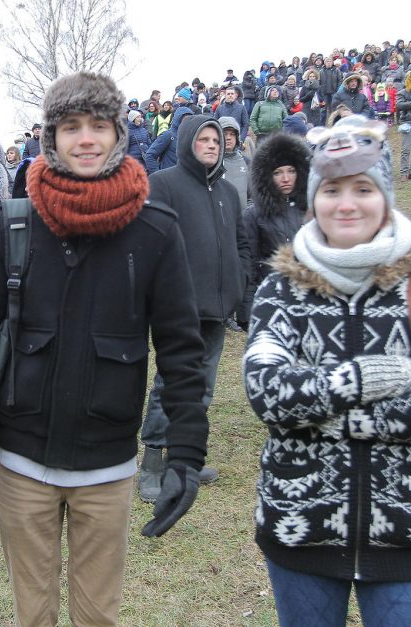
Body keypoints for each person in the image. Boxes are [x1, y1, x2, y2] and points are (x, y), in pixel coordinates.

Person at [0, 72, 210, 626]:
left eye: (98, 125)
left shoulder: (156, 229)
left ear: (117, 134)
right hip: (21, 466)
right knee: (32, 617)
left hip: (108, 469)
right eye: (71, 126)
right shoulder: (13, 226)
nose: (86, 138)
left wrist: (185, 452)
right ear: (51, 137)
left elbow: (182, 352)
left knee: (97, 618)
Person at [244, 115, 411, 627]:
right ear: (314, 198)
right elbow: (266, 395)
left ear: (387, 195)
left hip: (407, 537)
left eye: (363, 187)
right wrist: (367, 377)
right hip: (298, 532)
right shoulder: (281, 289)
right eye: (331, 189)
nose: (346, 203)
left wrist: (322, 407)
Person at [137, 114, 248, 501]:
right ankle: (151, 463)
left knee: (203, 388)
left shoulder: (229, 193)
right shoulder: (163, 185)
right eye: (204, 139)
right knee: (170, 385)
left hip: (219, 310)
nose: (213, 145)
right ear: (187, 142)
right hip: (178, 310)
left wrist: (238, 287)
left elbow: (242, 246)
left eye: (216, 140)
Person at [240, 132, 311, 329]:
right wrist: (247, 310)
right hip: (271, 300)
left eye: (291, 171)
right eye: (278, 172)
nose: (286, 178)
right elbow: (250, 265)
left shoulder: (313, 211)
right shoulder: (253, 215)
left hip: (310, 299)